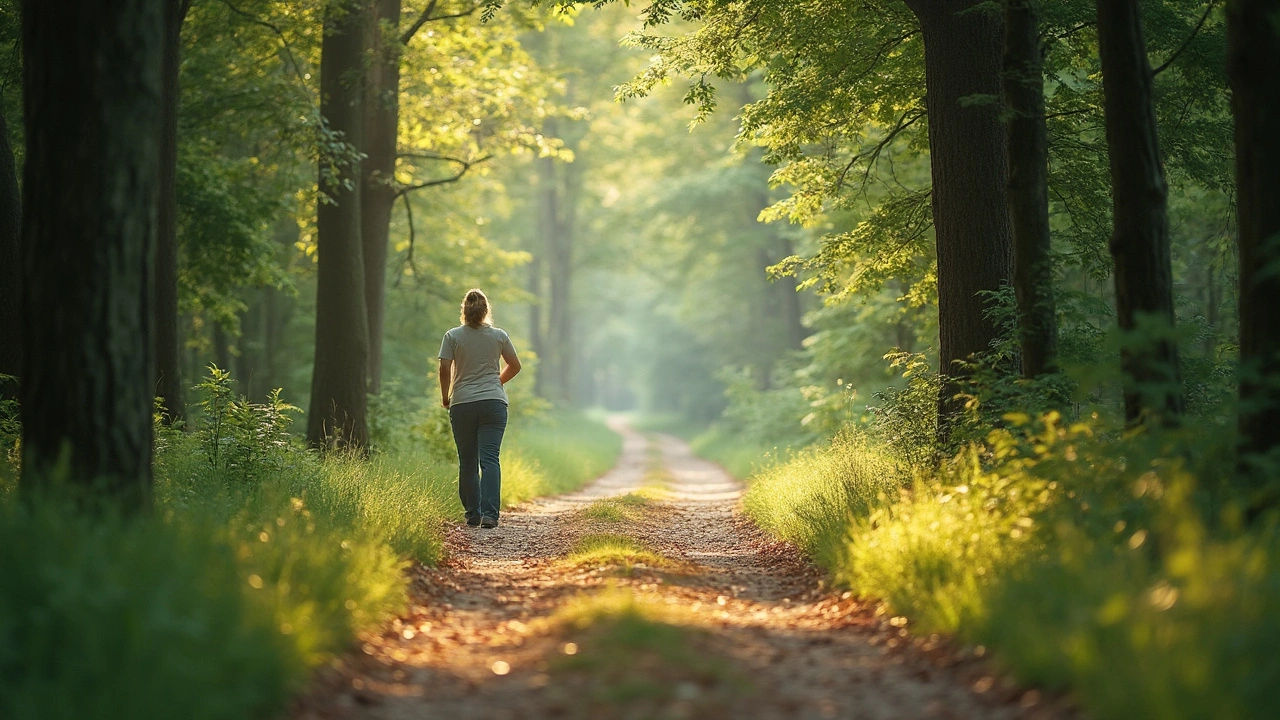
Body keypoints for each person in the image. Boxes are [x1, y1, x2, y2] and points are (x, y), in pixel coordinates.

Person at [438, 289, 521, 529]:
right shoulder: (499, 336)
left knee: (467, 460)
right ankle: (490, 515)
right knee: (490, 459)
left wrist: (446, 397)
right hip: (494, 404)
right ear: (486, 311)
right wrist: (496, 383)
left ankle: (472, 514)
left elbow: (444, 369)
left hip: (463, 403)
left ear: (463, 310)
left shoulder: (452, 336)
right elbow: (514, 366)